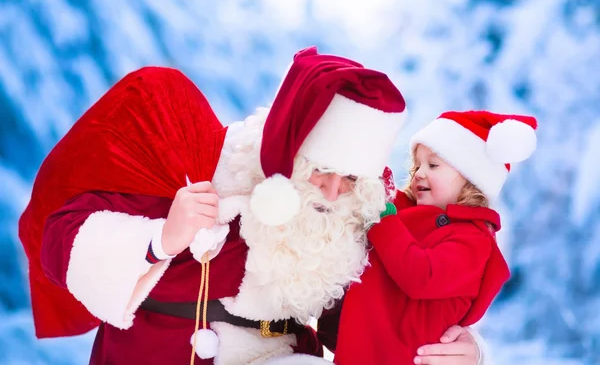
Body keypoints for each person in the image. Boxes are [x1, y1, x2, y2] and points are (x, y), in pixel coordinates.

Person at [19, 47, 485, 364]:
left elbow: (379, 323)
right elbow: (60, 241)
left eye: (349, 178)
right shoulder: (209, 170)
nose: (331, 191)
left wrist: (461, 349)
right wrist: (160, 238)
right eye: (321, 168)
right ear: (291, 152)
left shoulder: (350, 222)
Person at [334, 110, 538, 364]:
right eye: (416, 165)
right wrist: (369, 179)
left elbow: (421, 275)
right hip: (361, 350)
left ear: (471, 179)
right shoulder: (411, 213)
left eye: (433, 165)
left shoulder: (473, 240)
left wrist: (382, 216)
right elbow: (383, 196)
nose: (419, 173)